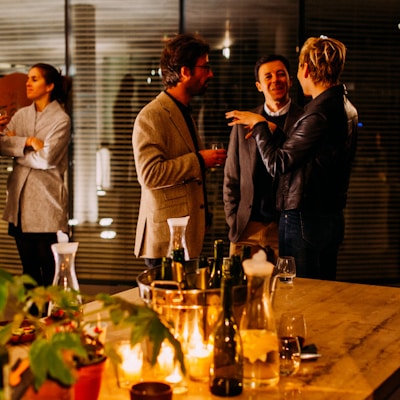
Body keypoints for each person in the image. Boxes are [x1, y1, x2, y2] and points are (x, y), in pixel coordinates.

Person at [226, 36, 358, 280]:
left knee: (301, 296)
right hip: (328, 216)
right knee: (321, 292)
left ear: (305, 69)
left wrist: (260, 126)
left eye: (295, 68)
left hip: (304, 219)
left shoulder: (316, 114)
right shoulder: (345, 107)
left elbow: (278, 164)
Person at [132, 33, 227, 268]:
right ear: (185, 72)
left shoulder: (183, 110)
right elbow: (150, 175)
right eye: (205, 67)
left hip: (184, 237)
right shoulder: (152, 115)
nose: (210, 74)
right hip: (165, 241)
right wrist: (199, 160)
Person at [223, 54, 303, 263]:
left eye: (280, 74)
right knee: (239, 291)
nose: (275, 80)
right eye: (268, 77)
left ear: (290, 80)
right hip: (246, 227)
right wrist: (233, 220)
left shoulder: (304, 121)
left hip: (284, 227)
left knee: (285, 292)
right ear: (259, 86)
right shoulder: (243, 122)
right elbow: (231, 178)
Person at [0, 63, 71, 287]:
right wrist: (29, 142)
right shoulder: (21, 115)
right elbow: (2, 145)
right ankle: (32, 320)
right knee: (28, 271)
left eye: (34, 79)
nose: (27, 83)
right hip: (19, 205)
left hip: (45, 206)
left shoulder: (61, 120)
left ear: (49, 86)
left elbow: (47, 159)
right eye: (28, 78)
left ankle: (50, 319)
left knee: (50, 272)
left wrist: (16, 147)